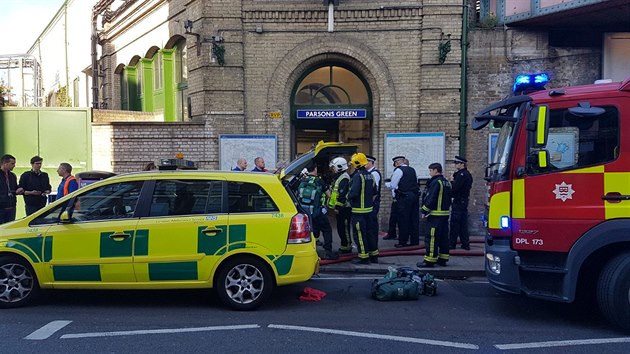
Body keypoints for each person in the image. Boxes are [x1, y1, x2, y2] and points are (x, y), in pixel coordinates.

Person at [297, 161, 337, 260]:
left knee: (311, 231)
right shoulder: (320, 181)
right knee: (327, 230)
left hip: (305, 213)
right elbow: (329, 195)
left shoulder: (302, 180)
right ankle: (328, 252)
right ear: (315, 169)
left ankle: (311, 253)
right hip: (317, 212)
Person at [417, 162, 452, 268]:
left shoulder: (436, 182)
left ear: (436, 170)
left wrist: (424, 210)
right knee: (443, 238)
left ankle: (430, 260)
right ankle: (443, 259)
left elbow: (431, 197)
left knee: (431, 237)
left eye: (431, 170)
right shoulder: (446, 182)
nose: (430, 173)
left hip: (435, 215)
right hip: (444, 214)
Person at [348, 153, 378, 264]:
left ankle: (363, 257)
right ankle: (374, 255)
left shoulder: (357, 176)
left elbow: (354, 193)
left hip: (358, 212)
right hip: (369, 211)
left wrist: (347, 196)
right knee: (370, 233)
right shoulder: (371, 175)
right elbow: (375, 192)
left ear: (356, 164)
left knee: (359, 234)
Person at [388, 156, 420, 247]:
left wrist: (389, 185)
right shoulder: (412, 169)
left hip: (404, 198)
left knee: (403, 220)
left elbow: (393, 185)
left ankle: (403, 242)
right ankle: (414, 241)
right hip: (414, 196)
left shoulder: (398, 170)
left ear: (397, 163)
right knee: (413, 219)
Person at [328, 157, 353, 253]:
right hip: (340, 207)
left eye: (333, 167)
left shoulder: (344, 178)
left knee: (344, 228)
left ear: (339, 167)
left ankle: (347, 246)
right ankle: (344, 245)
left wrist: (338, 207)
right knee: (340, 227)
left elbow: (342, 194)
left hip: (344, 208)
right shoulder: (340, 177)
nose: (333, 170)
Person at [450, 155, 473, 250]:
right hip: (464, 201)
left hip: (459, 201)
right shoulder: (467, 174)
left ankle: (452, 244)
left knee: (455, 223)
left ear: (462, 164)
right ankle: (465, 244)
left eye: (456, 163)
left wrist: (452, 181)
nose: (455, 165)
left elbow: (455, 188)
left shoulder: (461, 175)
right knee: (463, 224)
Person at [366, 155, 382, 250]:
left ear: (370, 163)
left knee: (372, 226)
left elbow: (373, 191)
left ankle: (373, 247)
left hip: (373, 203)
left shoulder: (374, 173)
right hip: (371, 203)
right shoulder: (369, 173)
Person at [0, 154, 20, 223]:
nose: (14, 165)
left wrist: (18, 190)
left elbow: (14, 188)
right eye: (12, 163)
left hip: (11, 207)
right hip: (1, 208)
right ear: (5, 163)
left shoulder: (12, 175)